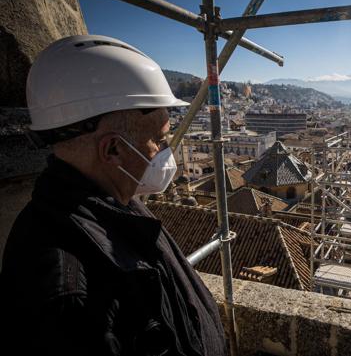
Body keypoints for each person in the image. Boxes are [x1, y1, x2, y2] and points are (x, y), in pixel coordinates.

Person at [0, 35, 226, 355]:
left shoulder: (113, 205)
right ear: (114, 149)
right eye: (159, 140)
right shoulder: (70, 295)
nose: (166, 153)